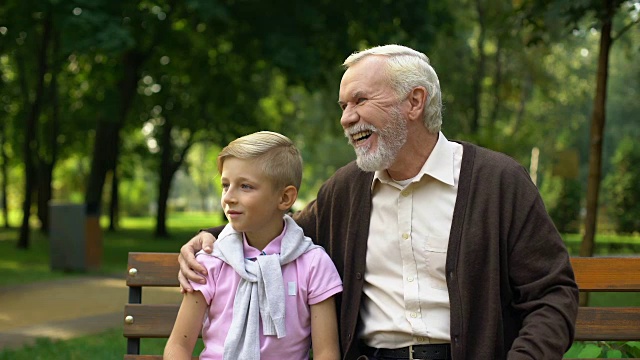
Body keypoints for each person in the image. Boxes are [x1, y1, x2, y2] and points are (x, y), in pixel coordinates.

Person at [178, 45, 579, 360]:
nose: (346, 118)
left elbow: (552, 295)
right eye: (343, 107)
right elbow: (282, 229)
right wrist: (211, 237)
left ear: (414, 102)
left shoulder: (498, 182)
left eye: (359, 101)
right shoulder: (347, 190)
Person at [164, 131, 342, 360]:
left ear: (285, 198)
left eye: (245, 186)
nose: (228, 197)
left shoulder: (313, 264)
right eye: (225, 185)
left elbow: (326, 353)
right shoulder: (210, 261)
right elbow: (178, 346)